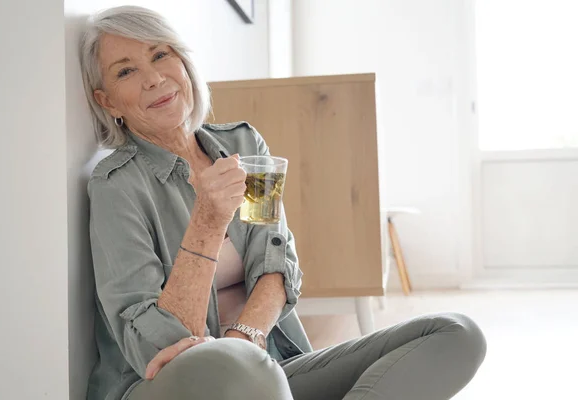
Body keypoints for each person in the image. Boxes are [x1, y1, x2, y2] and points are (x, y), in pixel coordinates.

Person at [80, 6, 487, 400]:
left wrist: (245, 341)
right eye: (127, 71)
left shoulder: (243, 147)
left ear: (183, 63)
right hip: (174, 386)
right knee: (233, 371)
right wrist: (208, 220)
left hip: (269, 366)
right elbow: (154, 352)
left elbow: (273, 264)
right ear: (108, 102)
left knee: (456, 333)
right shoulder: (116, 187)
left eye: (160, 54)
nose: (153, 78)